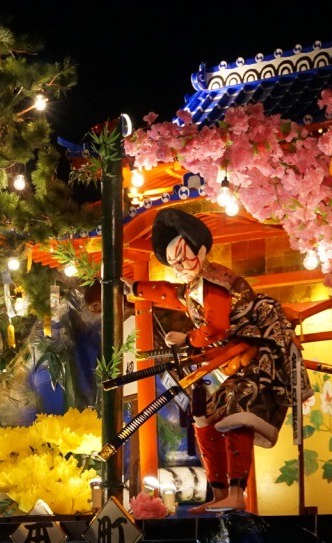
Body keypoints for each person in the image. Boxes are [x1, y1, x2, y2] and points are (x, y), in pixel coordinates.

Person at [128, 207, 312, 512]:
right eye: (173, 262)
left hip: (254, 360)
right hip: (228, 363)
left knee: (237, 414)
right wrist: (136, 288)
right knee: (204, 419)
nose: (179, 267)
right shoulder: (194, 286)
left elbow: (216, 327)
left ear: (201, 251)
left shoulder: (216, 281)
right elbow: (170, 294)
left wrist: (187, 338)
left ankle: (237, 493)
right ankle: (219, 493)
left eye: (183, 258)